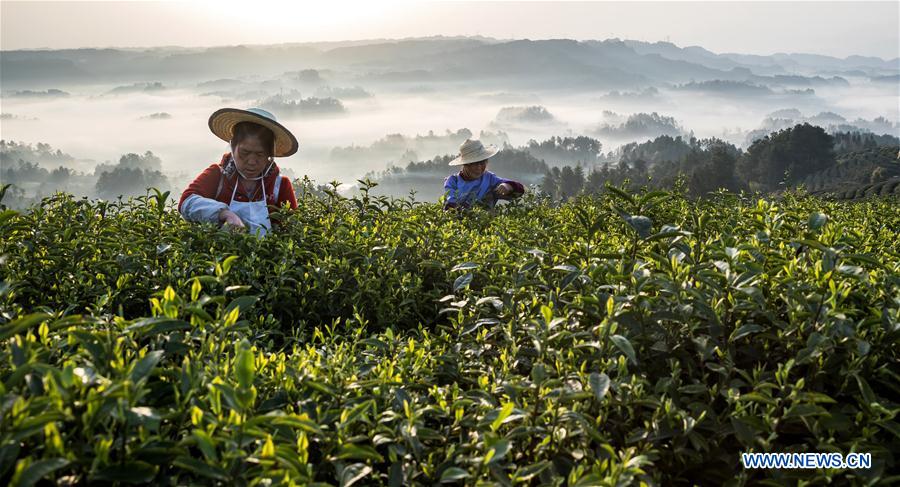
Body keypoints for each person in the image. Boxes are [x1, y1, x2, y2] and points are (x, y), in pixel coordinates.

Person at [179, 107, 299, 237]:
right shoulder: (217, 175)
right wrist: (225, 213)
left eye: (260, 154)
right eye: (244, 153)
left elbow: (292, 231)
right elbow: (187, 201)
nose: (251, 161)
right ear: (233, 148)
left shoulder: (279, 186)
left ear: (269, 154)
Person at [443, 138, 525, 210]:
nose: (479, 167)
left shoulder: (489, 179)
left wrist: (507, 186)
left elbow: (519, 188)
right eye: (474, 163)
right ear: (465, 164)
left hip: (485, 225)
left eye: (482, 162)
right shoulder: (453, 181)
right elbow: (451, 204)